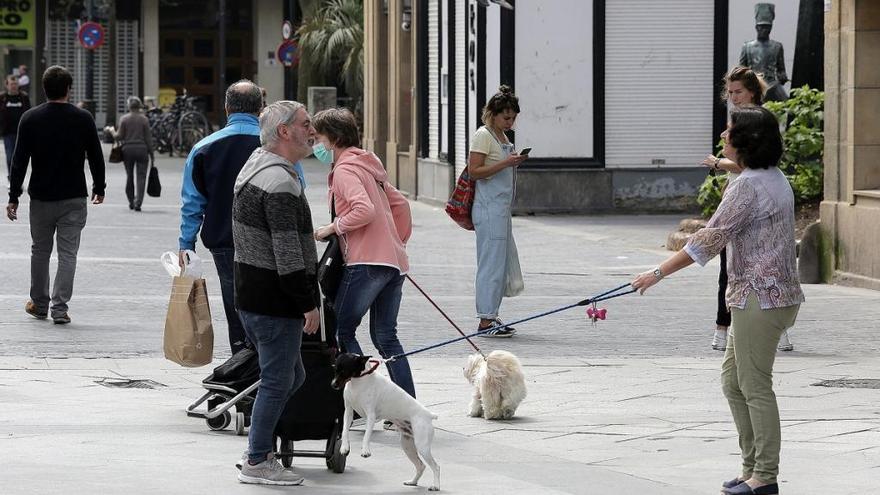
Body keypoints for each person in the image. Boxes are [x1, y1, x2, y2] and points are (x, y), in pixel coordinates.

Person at [633, 106, 804, 495]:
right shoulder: (771, 177)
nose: (724, 136)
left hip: (760, 297)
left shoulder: (746, 186)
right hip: (771, 296)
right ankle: (750, 468)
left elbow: (709, 238)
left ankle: (765, 476)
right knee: (733, 381)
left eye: (730, 131)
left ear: (746, 142)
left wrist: (655, 273)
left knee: (754, 384)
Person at [232, 100, 320, 485]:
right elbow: (287, 252)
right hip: (273, 299)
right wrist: (308, 303)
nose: (312, 130)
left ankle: (259, 441)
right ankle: (257, 460)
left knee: (291, 377)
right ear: (284, 132)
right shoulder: (280, 181)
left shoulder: (258, 165)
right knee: (277, 380)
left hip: (254, 294)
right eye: (305, 124)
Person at [312, 108, 416, 399]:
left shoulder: (345, 170)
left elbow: (364, 210)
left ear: (333, 138)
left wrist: (331, 228)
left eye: (318, 138)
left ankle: (364, 400)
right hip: (393, 262)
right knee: (386, 337)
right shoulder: (369, 165)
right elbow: (401, 205)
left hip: (366, 262)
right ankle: (405, 404)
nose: (316, 145)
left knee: (341, 330)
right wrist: (396, 240)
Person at [178, 80, 277, 354]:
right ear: (260, 108)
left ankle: (241, 359)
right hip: (269, 241)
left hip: (223, 240)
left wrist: (186, 244)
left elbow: (192, 203)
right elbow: (296, 191)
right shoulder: (276, 147)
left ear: (226, 108)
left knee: (235, 302)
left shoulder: (203, 148)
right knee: (268, 302)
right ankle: (266, 361)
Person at [701, 66, 793, 353]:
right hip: (741, 193)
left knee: (766, 261)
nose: (733, 97)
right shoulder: (739, 120)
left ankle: (774, 328)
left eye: (738, 91)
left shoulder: (759, 122)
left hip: (757, 197)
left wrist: (717, 163)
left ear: (752, 91)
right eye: (729, 93)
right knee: (732, 264)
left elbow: (749, 164)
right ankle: (724, 326)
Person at [5, 65, 105, 325]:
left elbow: (19, 162)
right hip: (73, 197)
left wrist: (14, 196)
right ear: (68, 90)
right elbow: (95, 155)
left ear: (44, 88)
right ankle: (60, 309)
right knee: (68, 254)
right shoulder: (83, 118)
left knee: (39, 251)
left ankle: (39, 305)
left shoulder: (30, 118)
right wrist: (99, 187)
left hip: (40, 198)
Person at [467, 85, 528, 337]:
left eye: (513, 117)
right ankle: (485, 321)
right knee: (490, 265)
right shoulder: (484, 135)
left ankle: (491, 315)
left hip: (500, 209)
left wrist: (511, 162)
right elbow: (474, 171)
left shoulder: (502, 137)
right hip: (489, 209)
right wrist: (506, 162)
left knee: (500, 265)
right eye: (506, 117)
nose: (510, 122)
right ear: (492, 114)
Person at [739, 3, 789, 102]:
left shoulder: (777, 47)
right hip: (754, 85)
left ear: (771, 28)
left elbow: (781, 71)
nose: (764, 30)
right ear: (756, 27)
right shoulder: (747, 47)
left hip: (772, 86)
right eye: (761, 27)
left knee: (788, 105)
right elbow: (741, 71)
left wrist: (782, 76)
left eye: (767, 27)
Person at [115, 96, 153, 211]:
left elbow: (119, 136)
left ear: (129, 106)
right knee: (141, 177)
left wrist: (111, 131)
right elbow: (148, 138)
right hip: (142, 150)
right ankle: (138, 203)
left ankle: (131, 200)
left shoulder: (124, 119)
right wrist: (151, 152)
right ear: (139, 106)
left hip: (128, 150)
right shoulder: (144, 119)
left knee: (129, 176)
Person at [0, 75, 30, 185]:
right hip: (8, 133)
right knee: (10, 156)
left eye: (16, 84)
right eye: (12, 84)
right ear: (6, 85)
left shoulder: (23, 97)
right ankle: (12, 179)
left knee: (20, 157)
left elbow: (29, 113)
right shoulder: (2, 98)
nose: (14, 86)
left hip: (21, 132)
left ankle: (18, 179)